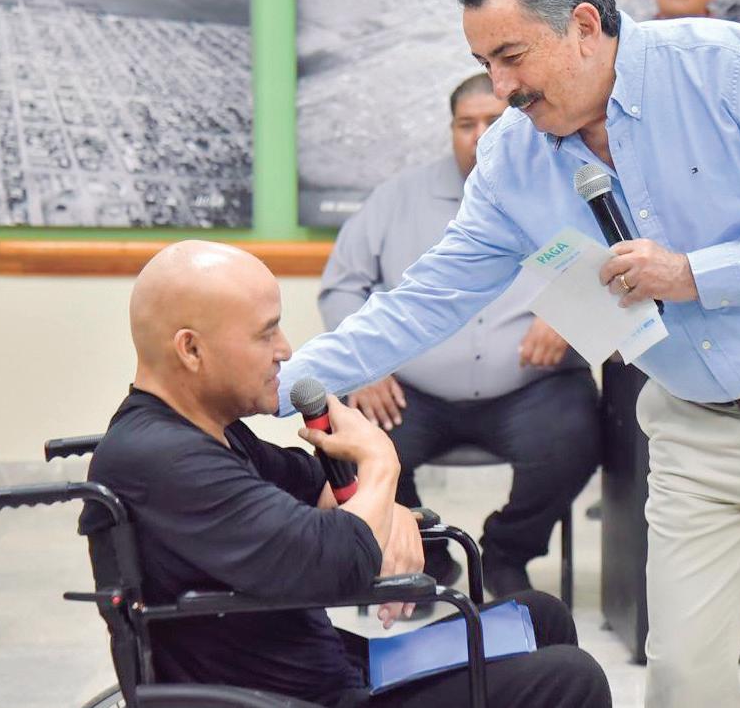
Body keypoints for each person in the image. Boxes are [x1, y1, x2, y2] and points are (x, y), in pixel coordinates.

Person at [279, 0, 740, 708]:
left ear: (582, 24)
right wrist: (273, 383)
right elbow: (423, 299)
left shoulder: (725, 67)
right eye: (483, 64)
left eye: (511, 56)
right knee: (681, 678)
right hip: (691, 425)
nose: (500, 87)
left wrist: (694, 274)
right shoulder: (510, 161)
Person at [82, 240, 611, 708]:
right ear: (191, 348)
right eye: (265, 334)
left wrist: (388, 514)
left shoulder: (207, 433)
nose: (285, 351)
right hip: (295, 698)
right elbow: (335, 561)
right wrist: (382, 464)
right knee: (569, 679)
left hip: (332, 667)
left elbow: (316, 485)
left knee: (539, 617)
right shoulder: (166, 459)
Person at [319, 73, 600, 598]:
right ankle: (426, 557)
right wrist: (366, 368)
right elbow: (342, 286)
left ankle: (507, 553)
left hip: (533, 389)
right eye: (466, 124)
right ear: (450, 129)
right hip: (412, 392)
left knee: (577, 436)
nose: (479, 135)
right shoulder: (396, 198)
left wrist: (570, 312)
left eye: (493, 122)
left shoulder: (566, 185)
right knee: (358, 444)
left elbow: (613, 262)